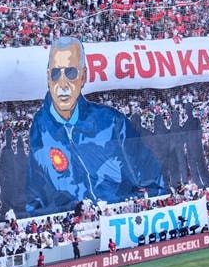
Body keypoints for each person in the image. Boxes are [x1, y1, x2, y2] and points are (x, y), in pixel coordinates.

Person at [25, 37, 165, 216]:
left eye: (71, 73)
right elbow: (34, 197)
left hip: (120, 218)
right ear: (48, 77)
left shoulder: (112, 122)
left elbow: (152, 177)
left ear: (83, 76)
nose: (62, 84)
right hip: (77, 224)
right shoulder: (40, 130)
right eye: (55, 73)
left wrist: (149, 210)